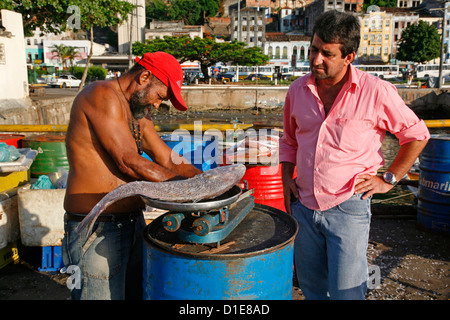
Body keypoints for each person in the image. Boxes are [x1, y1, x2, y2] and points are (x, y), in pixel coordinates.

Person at [280, 10, 430, 300]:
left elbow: (416, 135)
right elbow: (289, 140)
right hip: (303, 205)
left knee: (346, 293)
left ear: (349, 57)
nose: (315, 59)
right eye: (313, 49)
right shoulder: (297, 90)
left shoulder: (376, 91)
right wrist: (287, 176)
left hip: (348, 206)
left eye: (327, 53)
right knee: (311, 289)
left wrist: (389, 178)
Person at [62, 51, 202, 300]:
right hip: (95, 229)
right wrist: (186, 189)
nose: (158, 105)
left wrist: (202, 180)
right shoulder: (101, 94)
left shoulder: (137, 112)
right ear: (145, 76)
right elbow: (128, 162)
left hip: (132, 222)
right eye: (160, 96)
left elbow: (168, 157)